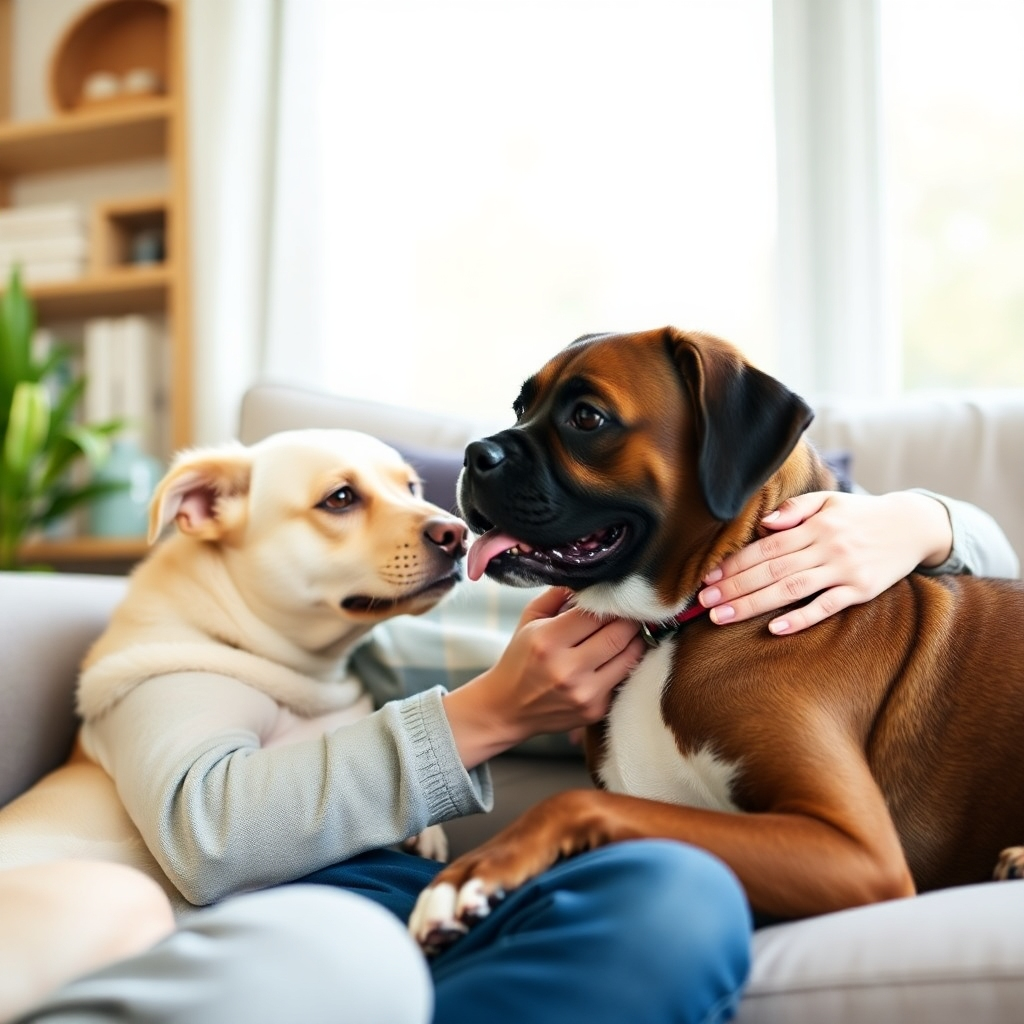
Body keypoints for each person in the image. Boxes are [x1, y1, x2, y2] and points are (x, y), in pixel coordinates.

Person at [13, 489, 1017, 1024]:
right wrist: (487, 712)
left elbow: (984, 624)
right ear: (209, 521)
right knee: (338, 960)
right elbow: (208, 829)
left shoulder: (602, 589)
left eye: (411, 492)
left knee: (676, 897)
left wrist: (923, 520)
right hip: (330, 899)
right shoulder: (174, 655)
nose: (433, 525)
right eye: (340, 500)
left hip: (514, 893)